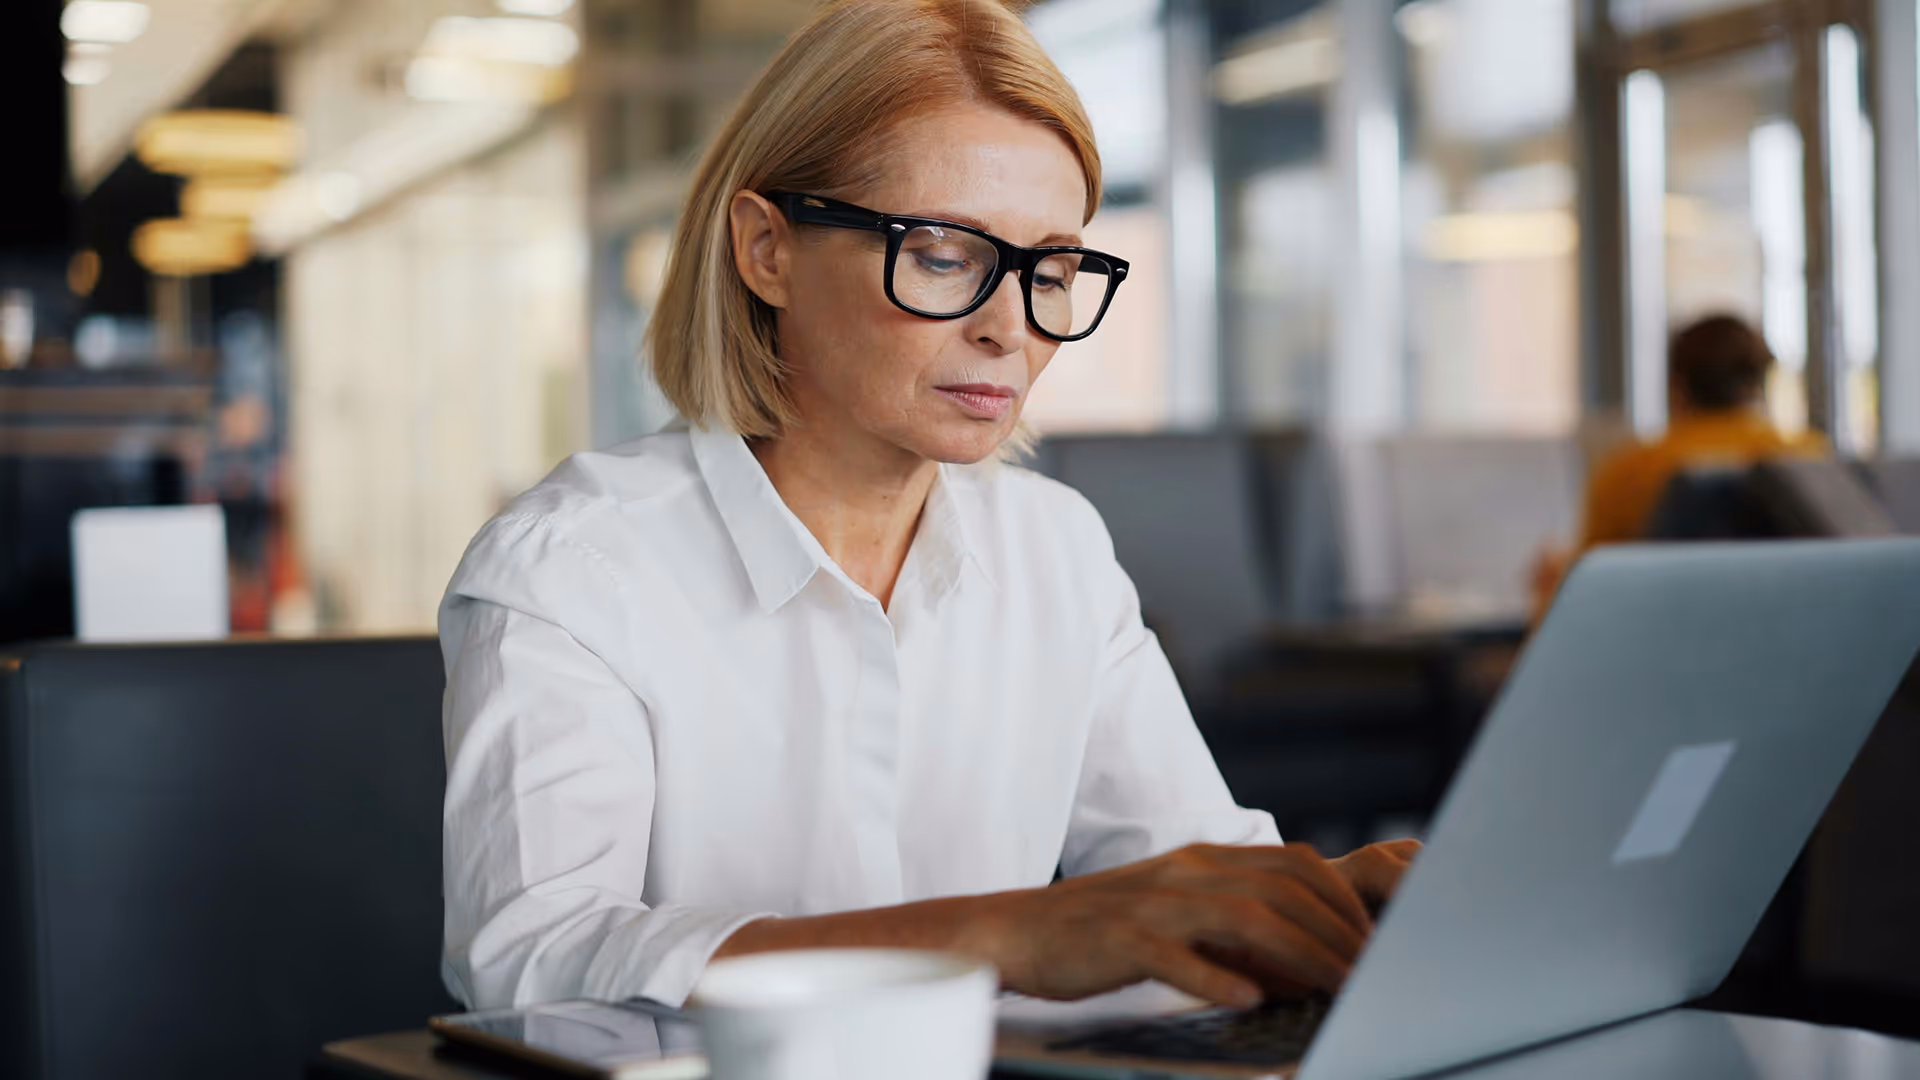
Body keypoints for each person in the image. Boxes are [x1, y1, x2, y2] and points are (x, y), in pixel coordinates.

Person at [438, 0, 1417, 1015]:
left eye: (1053, 268)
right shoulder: (573, 566)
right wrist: (999, 936)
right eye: (947, 255)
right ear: (768, 249)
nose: (1010, 328)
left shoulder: (1054, 548)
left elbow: (1190, 884)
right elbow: (531, 959)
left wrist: (1331, 909)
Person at [1529, 314, 1828, 613]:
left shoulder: (1630, 469)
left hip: (1663, 641)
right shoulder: (1811, 460)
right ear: (1759, 382)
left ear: (1677, 385)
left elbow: (1588, 589)